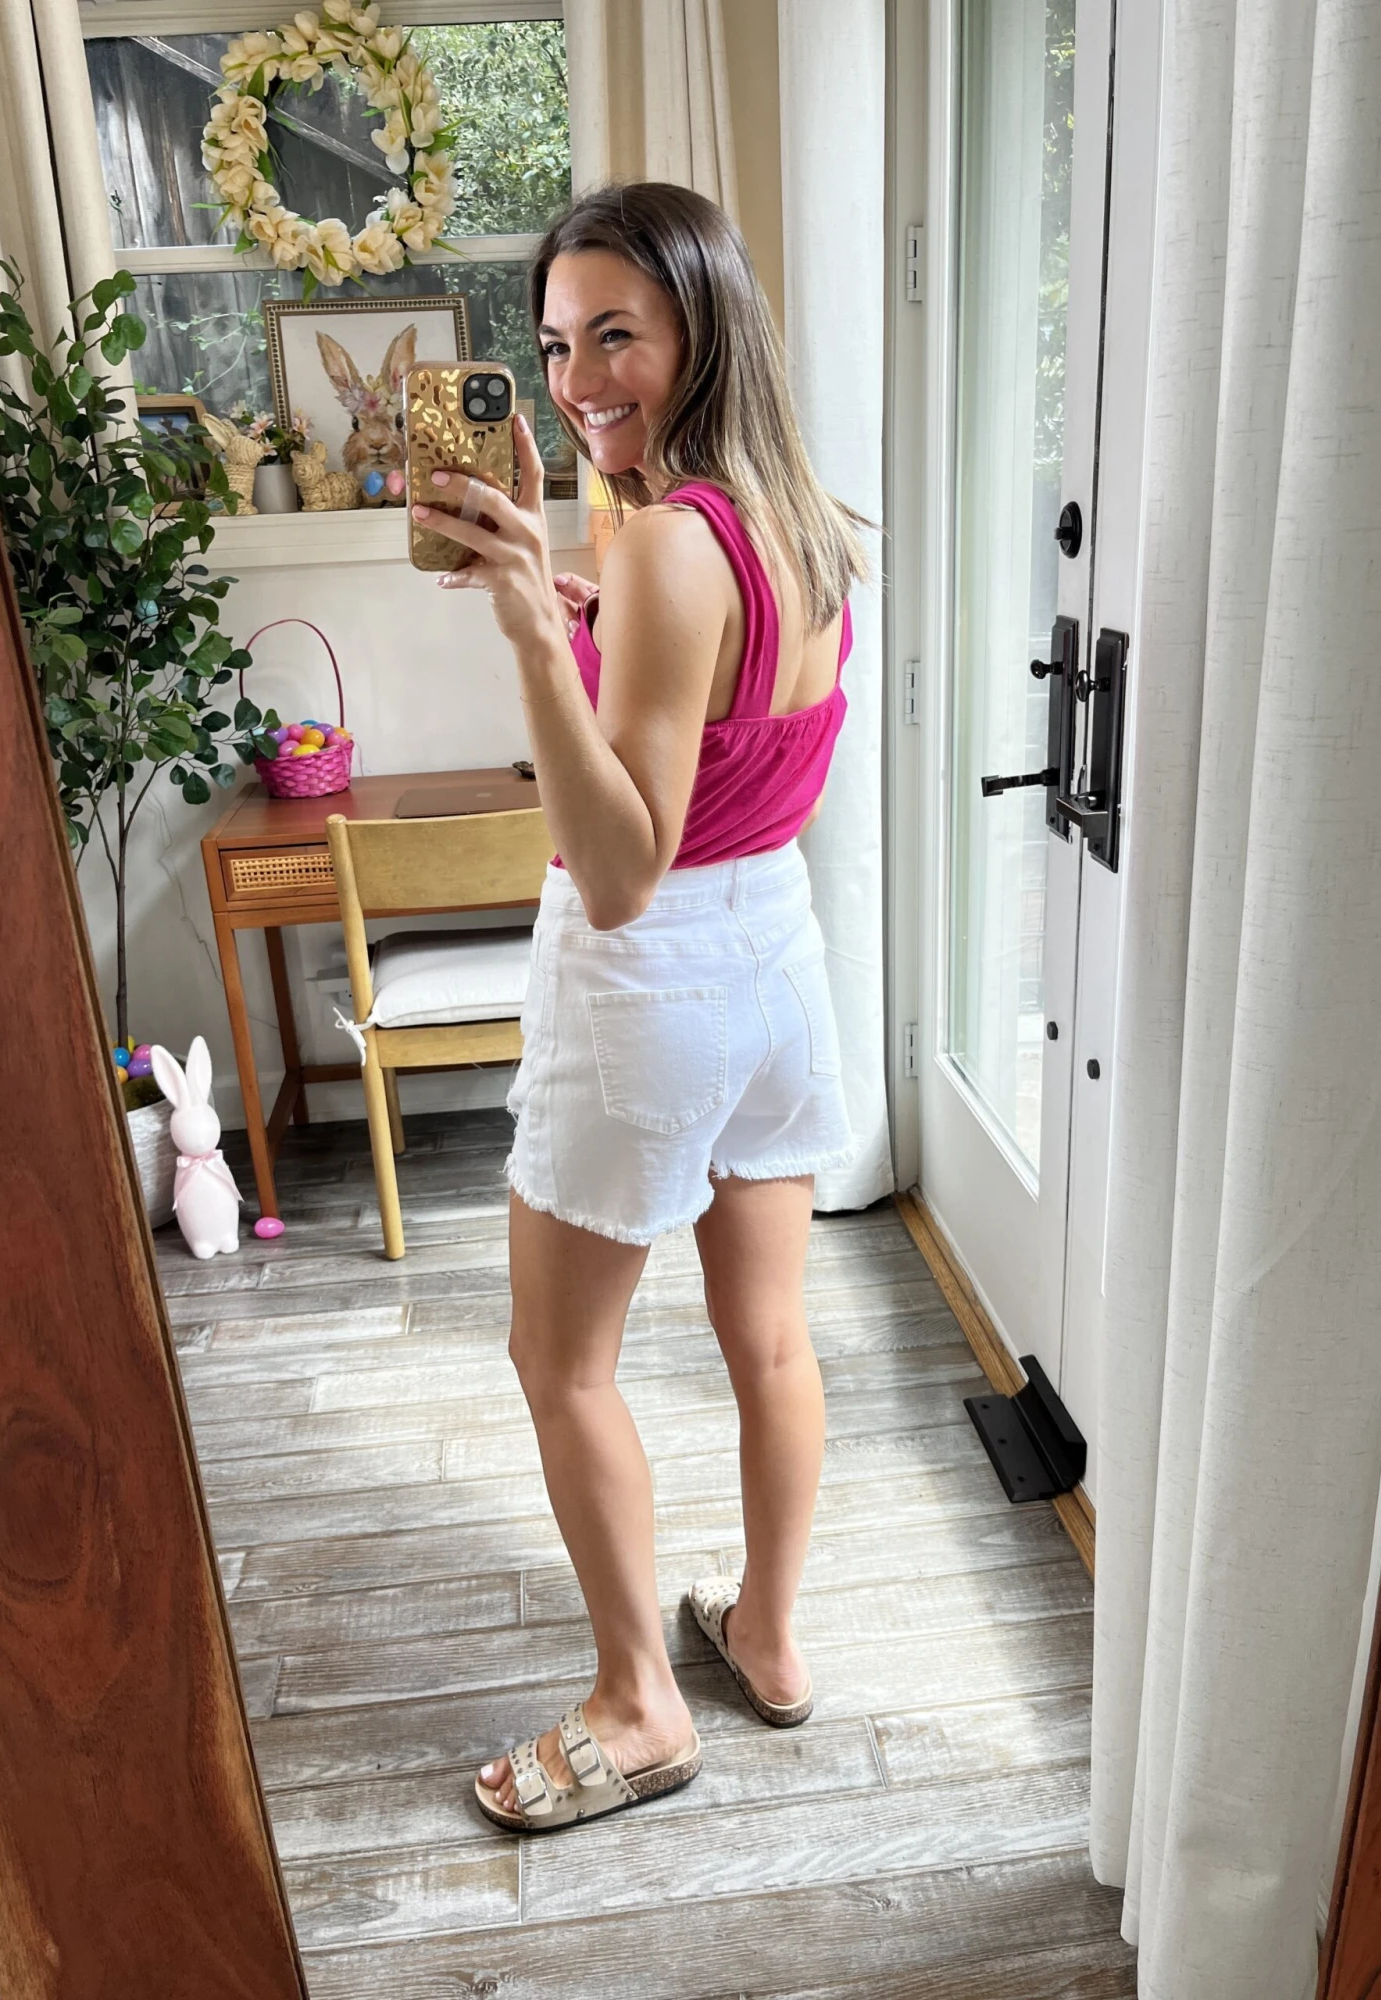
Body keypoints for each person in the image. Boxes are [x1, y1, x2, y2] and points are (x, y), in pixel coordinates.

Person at [412, 181, 867, 1835]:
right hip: (777, 961)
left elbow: (615, 872)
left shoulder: (667, 543)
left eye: (616, 335)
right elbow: (729, 719)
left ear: (702, 328)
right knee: (771, 1336)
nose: (576, 381)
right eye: (553, 345)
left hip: (652, 980)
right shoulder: (796, 520)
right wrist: (594, 604)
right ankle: (769, 1639)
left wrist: (536, 629)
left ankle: (638, 1705)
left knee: (561, 1363)